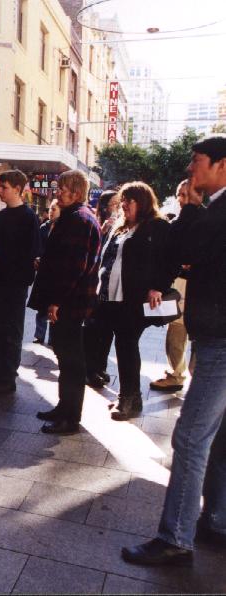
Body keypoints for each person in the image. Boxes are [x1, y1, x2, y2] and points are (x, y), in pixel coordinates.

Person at [122, 136, 226, 566]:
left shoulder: (217, 211)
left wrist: (191, 208)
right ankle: (216, 520)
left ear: (221, 165)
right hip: (217, 336)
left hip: (221, 340)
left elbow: (186, 249)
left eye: (197, 161)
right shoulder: (213, 208)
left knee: (190, 436)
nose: (190, 169)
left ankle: (176, 537)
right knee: (218, 438)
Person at [85, 182, 173, 421]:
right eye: (123, 200)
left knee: (126, 346)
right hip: (110, 297)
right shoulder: (121, 226)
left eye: (129, 200)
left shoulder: (157, 226)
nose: (124, 205)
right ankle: (130, 397)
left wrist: (158, 287)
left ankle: (129, 399)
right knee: (118, 344)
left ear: (142, 202)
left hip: (132, 299)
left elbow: (170, 260)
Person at [28, 169, 101, 434]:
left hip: (70, 302)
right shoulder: (75, 217)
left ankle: (70, 417)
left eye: (62, 189)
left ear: (77, 193)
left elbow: (74, 267)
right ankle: (64, 408)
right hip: (70, 301)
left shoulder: (79, 220)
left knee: (71, 359)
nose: (57, 193)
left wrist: (57, 301)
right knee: (65, 356)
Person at [0, 170, 41, 394]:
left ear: (17, 189)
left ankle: (7, 377)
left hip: (14, 286)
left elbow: (29, 253)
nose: (0, 192)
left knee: (11, 333)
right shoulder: (0, 217)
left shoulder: (29, 217)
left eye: (4, 187)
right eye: (0, 187)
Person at [149, 179, 198, 392]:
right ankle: (176, 374)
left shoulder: (207, 220)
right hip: (178, 282)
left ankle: (195, 378)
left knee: (197, 335)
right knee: (176, 330)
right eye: (180, 195)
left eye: (187, 195)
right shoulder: (176, 223)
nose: (182, 199)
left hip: (199, 286)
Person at [84, 189, 120, 388]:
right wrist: (103, 231)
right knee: (93, 329)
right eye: (114, 204)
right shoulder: (95, 222)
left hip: (109, 288)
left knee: (107, 331)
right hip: (94, 285)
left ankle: (100, 367)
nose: (117, 208)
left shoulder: (121, 225)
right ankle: (90, 370)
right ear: (105, 206)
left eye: (119, 204)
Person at [34, 199, 61, 345]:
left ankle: (52, 338)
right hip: (43, 271)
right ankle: (39, 335)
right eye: (50, 209)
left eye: (54, 209)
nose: (51, 212)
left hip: (55, 273)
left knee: (53, 306)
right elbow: (37, 246)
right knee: (41, 306)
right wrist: (37, 257)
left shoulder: (63, 227)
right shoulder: (44, 227)